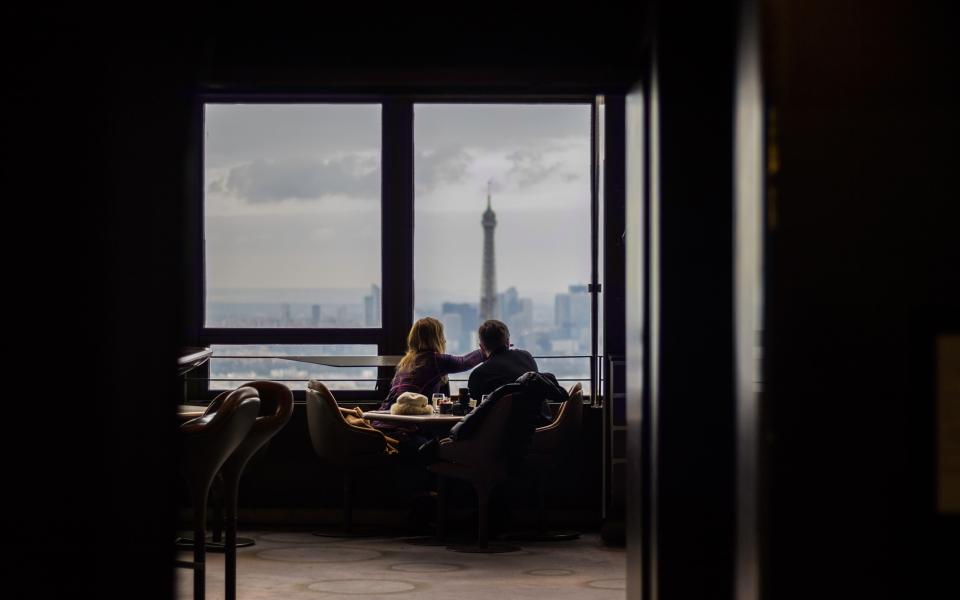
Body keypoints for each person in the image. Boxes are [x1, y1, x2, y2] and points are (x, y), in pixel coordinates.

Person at [373, 317, 484, 449]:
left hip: (382, 424)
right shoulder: (435, 360)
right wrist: (487, 349)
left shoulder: (406, 362)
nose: (444, 339)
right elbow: (464, 362)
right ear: (436, 338)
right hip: (405, 430)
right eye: (442, 335)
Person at [467, 319, 539, 401]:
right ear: (508, 342)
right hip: (538, 413)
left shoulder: (478, 375)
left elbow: (476, 409)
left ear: (481, 347)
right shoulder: (527, 357)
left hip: (501, 414)